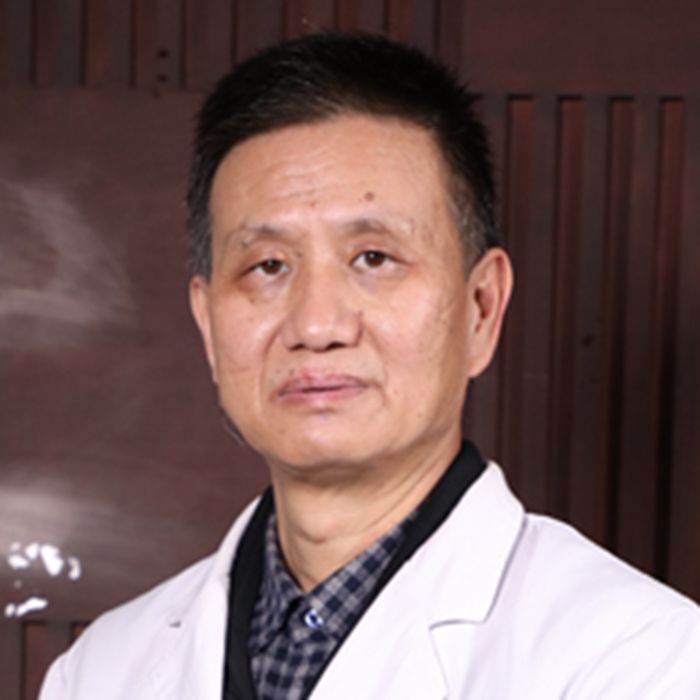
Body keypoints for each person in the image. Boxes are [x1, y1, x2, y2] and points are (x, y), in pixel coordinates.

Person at [40, 32, 700, 700]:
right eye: (268, 266)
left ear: (481, 308)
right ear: (209, 324)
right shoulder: (99, 672)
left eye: (373, 258)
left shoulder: (640, 660)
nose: (317, 326)